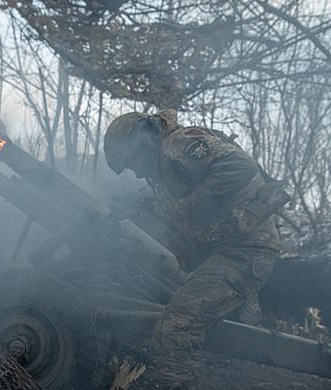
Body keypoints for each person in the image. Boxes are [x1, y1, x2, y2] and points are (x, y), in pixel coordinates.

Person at [104, 109, 290, 350]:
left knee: (178, 323)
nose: (137, 173)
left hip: (244, 249)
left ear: (144, 145)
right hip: (231, 249)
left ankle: (176, 387)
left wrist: (195, 205)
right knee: (194, 318)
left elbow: (239, 166)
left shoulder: (176, 145)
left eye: (133, 163)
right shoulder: (165, 168)